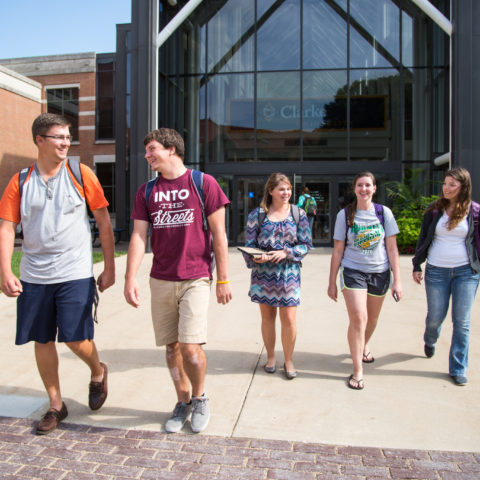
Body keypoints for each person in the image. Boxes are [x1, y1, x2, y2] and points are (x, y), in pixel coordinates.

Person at [0, 113, 115, 434]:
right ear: (39, 140)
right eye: (58, 137)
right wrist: (5, 271)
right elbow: (7, 228)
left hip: (74, 271)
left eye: (68, 137)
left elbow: (104, 222)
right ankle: (55, 404)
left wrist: (110, 266)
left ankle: (97, 370)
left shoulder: (82, 174)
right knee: (42, 338)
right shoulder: (20, 181)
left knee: (77, 338)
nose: (66, 142)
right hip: (34, 275)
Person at [124, 128, 232, 434]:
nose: (147, 155)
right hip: (160, 278)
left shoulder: (203, 183)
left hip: (195, 277)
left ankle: (200, 398)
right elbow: (138, 235)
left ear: (172, 149)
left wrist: (223, 279)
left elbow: (219, 236)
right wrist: (130, 277)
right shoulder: (147, 191)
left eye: (152, 149)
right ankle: (182, 401)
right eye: (146, 151)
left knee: (189, 347)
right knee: (171, 348)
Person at [327, 171, 402, 390]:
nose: (364, 189)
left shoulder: (384, 213)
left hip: (380, 272)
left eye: (368, 185)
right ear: (355, 188)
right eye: (360, 185)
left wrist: (398, 279)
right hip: (353, 271)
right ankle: (358, 369)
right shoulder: (345, 215)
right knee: (359, 318)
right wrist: (332, 281)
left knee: (372, 319)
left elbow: (392, 248)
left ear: (374, 188)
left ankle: (364, 344)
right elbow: (338, 251)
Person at [412, 167, 480, 386]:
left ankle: (458, 368)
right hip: (436, 271)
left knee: (462, 322)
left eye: (452, 184)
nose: (446, 188)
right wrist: (416, 265)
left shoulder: (474, 212)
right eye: (445, 183)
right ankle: (430, 339)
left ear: (463, 187)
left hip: (465, 272)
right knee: (435, 317)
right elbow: (423, 238)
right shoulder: (434, 210)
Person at [243, 173, 311, 379]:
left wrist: (286, 253)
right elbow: (249, 245)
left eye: (288, 189)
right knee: (267, 318)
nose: (286, 193)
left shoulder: (299, 214)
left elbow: (306, 244)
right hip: (263, 274)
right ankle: (271, 357)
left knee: (289, 319)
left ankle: (288, 360)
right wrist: (257, 257)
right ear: (270, 191)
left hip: (289, 273)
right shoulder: (258, 215)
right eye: (281, 189)